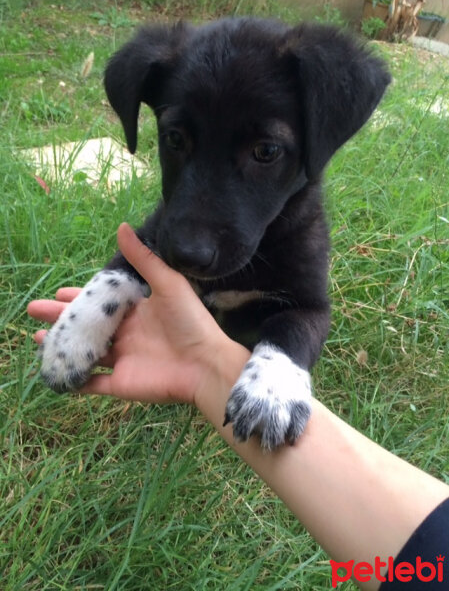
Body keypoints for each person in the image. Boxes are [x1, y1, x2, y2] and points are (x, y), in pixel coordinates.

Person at [28, 223, 449, 590]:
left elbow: (308, 309)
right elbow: (138, 258)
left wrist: (281, 361)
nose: (197, 237)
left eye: (265, 152)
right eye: (177, 141)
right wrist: (100, 302)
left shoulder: (300, 243)